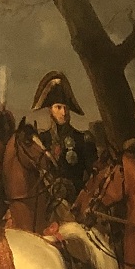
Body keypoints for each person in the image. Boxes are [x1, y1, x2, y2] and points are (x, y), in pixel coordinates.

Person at [32, 71, 96, 213]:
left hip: (76, 207)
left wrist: (70, 188)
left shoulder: (83, 140)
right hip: (47, 208)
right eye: (58, 107)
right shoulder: (42, 140)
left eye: (66, 108)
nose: (64, 112)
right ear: (50, 110)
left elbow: (94, 179)